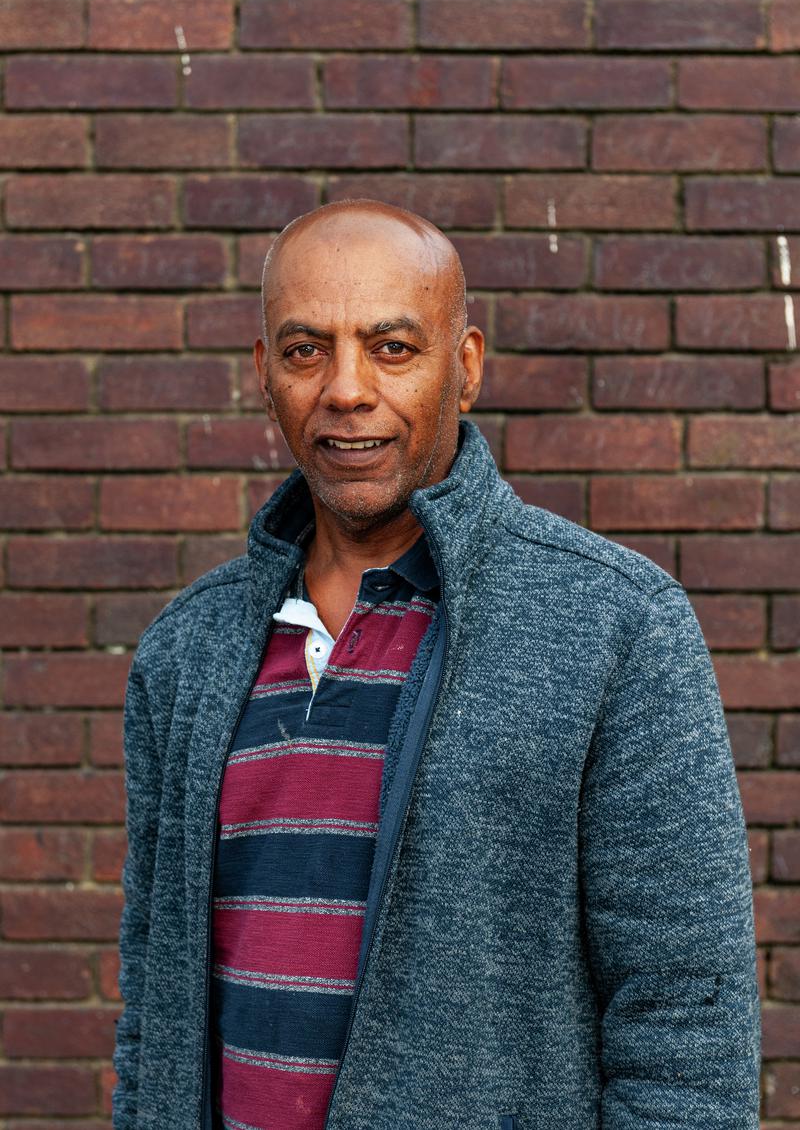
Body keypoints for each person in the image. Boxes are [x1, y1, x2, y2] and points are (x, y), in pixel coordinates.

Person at [113, 200, 760, 1130]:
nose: (346, 389)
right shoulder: (187, 649)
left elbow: (685, 1023)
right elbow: (155, 1002)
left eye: (391, 348)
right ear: (264, 374)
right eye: (306, 351)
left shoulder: (617, 626)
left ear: (465, 368)